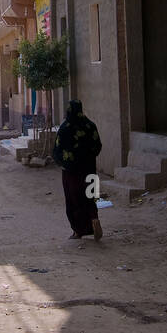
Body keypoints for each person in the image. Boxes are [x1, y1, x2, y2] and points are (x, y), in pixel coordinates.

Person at [53, 99, 103, 240]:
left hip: (71, 172)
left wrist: (63, 162)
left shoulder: (65, 128)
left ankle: (78, 230)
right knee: (90, 196)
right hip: (90, 170)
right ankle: (94, 218)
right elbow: (97, 146)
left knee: (74, 200)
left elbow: (57, 149)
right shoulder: (90, 125)